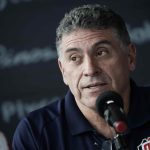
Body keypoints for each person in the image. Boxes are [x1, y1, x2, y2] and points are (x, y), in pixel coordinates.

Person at [12, 4, 150, 150]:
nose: (90, 70)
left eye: (101, 52)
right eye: (74, 58)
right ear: (63, 70)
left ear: (130, 57)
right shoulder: (35, 133)